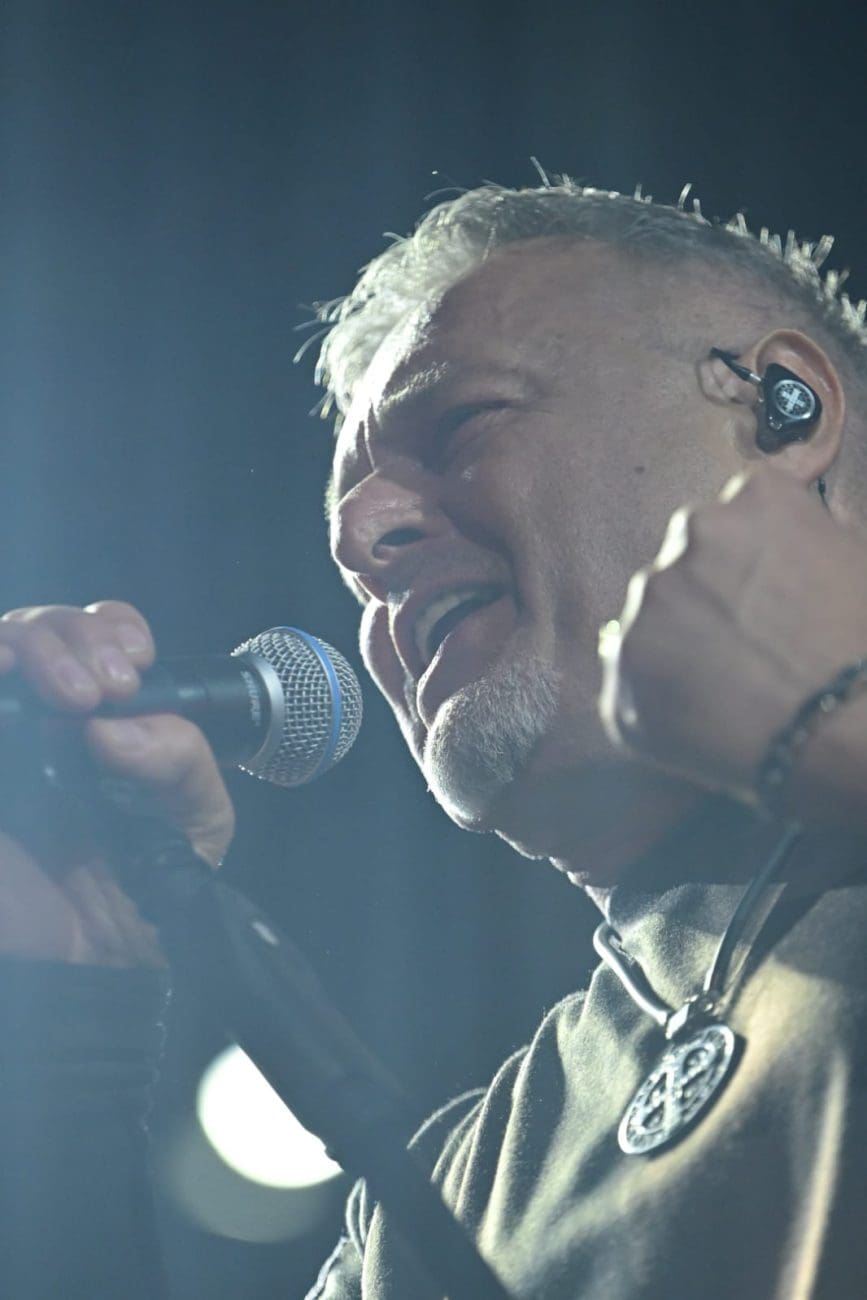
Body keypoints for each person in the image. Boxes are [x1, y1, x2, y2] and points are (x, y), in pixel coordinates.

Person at [3, 178, 867, 1298]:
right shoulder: (444, 1203)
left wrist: (832, 712)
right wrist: (72, 1030)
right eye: (346, 534)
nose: (361, 540)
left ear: (782, 404)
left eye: (464, 422)